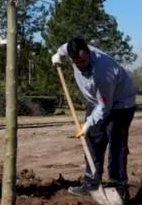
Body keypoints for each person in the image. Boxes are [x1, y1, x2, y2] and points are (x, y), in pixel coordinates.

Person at [52, 37, 136, 202]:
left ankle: (119, 185)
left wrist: (88, 123)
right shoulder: (71, 50)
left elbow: (105, 107)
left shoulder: (104, 72)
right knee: (92, 139)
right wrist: (57, 56)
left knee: (116, 143)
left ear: (89, 52)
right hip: (96, 102)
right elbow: (63, 47)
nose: (81, 64)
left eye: (83, 60)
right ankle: (91, 182)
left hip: (121, 104)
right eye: (76, 62)